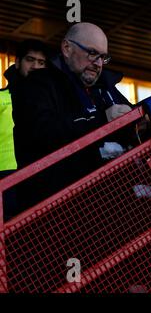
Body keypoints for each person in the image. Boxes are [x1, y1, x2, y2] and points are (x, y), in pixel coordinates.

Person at [11, 22, 133, 214]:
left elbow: (133, 127)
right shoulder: (37, 84)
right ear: (67, 48)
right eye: (92, 53)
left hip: (108, 209)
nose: (98, 63)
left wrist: (143, 122)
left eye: (103, 57)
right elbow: (42, 132)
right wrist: (101, 120)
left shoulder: (106, 90)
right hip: (53, 212)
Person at [1, 39, 49, 220]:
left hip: (40, 180)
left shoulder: (52, 105)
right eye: (31, 60)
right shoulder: (1, 98)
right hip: (5, 180)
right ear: (18, 62)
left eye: (41, 62)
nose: (36, 66)